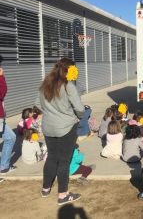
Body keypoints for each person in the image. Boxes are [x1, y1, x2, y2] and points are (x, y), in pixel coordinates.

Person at [39, 58, 83, 205]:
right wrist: (76, 115)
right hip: (66, 127)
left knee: (52, 157)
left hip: (48, 126)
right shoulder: (68, 85)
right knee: (64, 161)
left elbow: (37, 104)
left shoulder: (46, 83)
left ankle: (46, 188)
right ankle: (63, 195)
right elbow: (80, 109)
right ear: (69, 69)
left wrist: (51, 111)